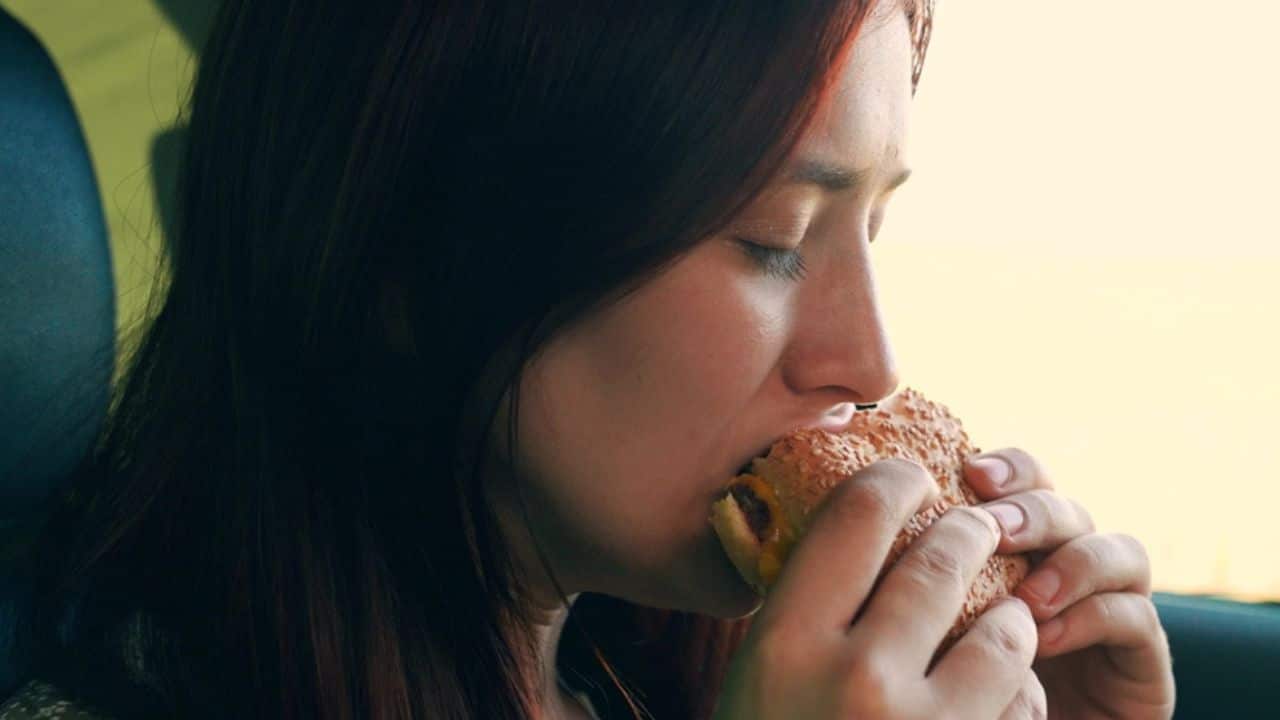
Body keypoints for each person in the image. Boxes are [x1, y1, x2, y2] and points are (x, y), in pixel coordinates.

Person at [1, 0, 1176, 718]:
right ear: (411, 263)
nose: (868, 365)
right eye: (772, 240)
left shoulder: (671, 685)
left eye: (869, 231)